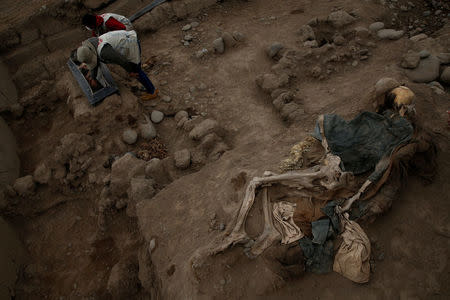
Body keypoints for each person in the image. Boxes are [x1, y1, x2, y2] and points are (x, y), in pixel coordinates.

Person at [76, 30, 158, 100]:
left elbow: (122, 60)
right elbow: (94, 62)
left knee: (136, 72)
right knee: (136, 71)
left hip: (131, 44)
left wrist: (130, 71)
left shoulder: (104, 52)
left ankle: (152, 91)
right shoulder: (91, 44)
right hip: (124, 38)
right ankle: (148, 86)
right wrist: (93, 78)